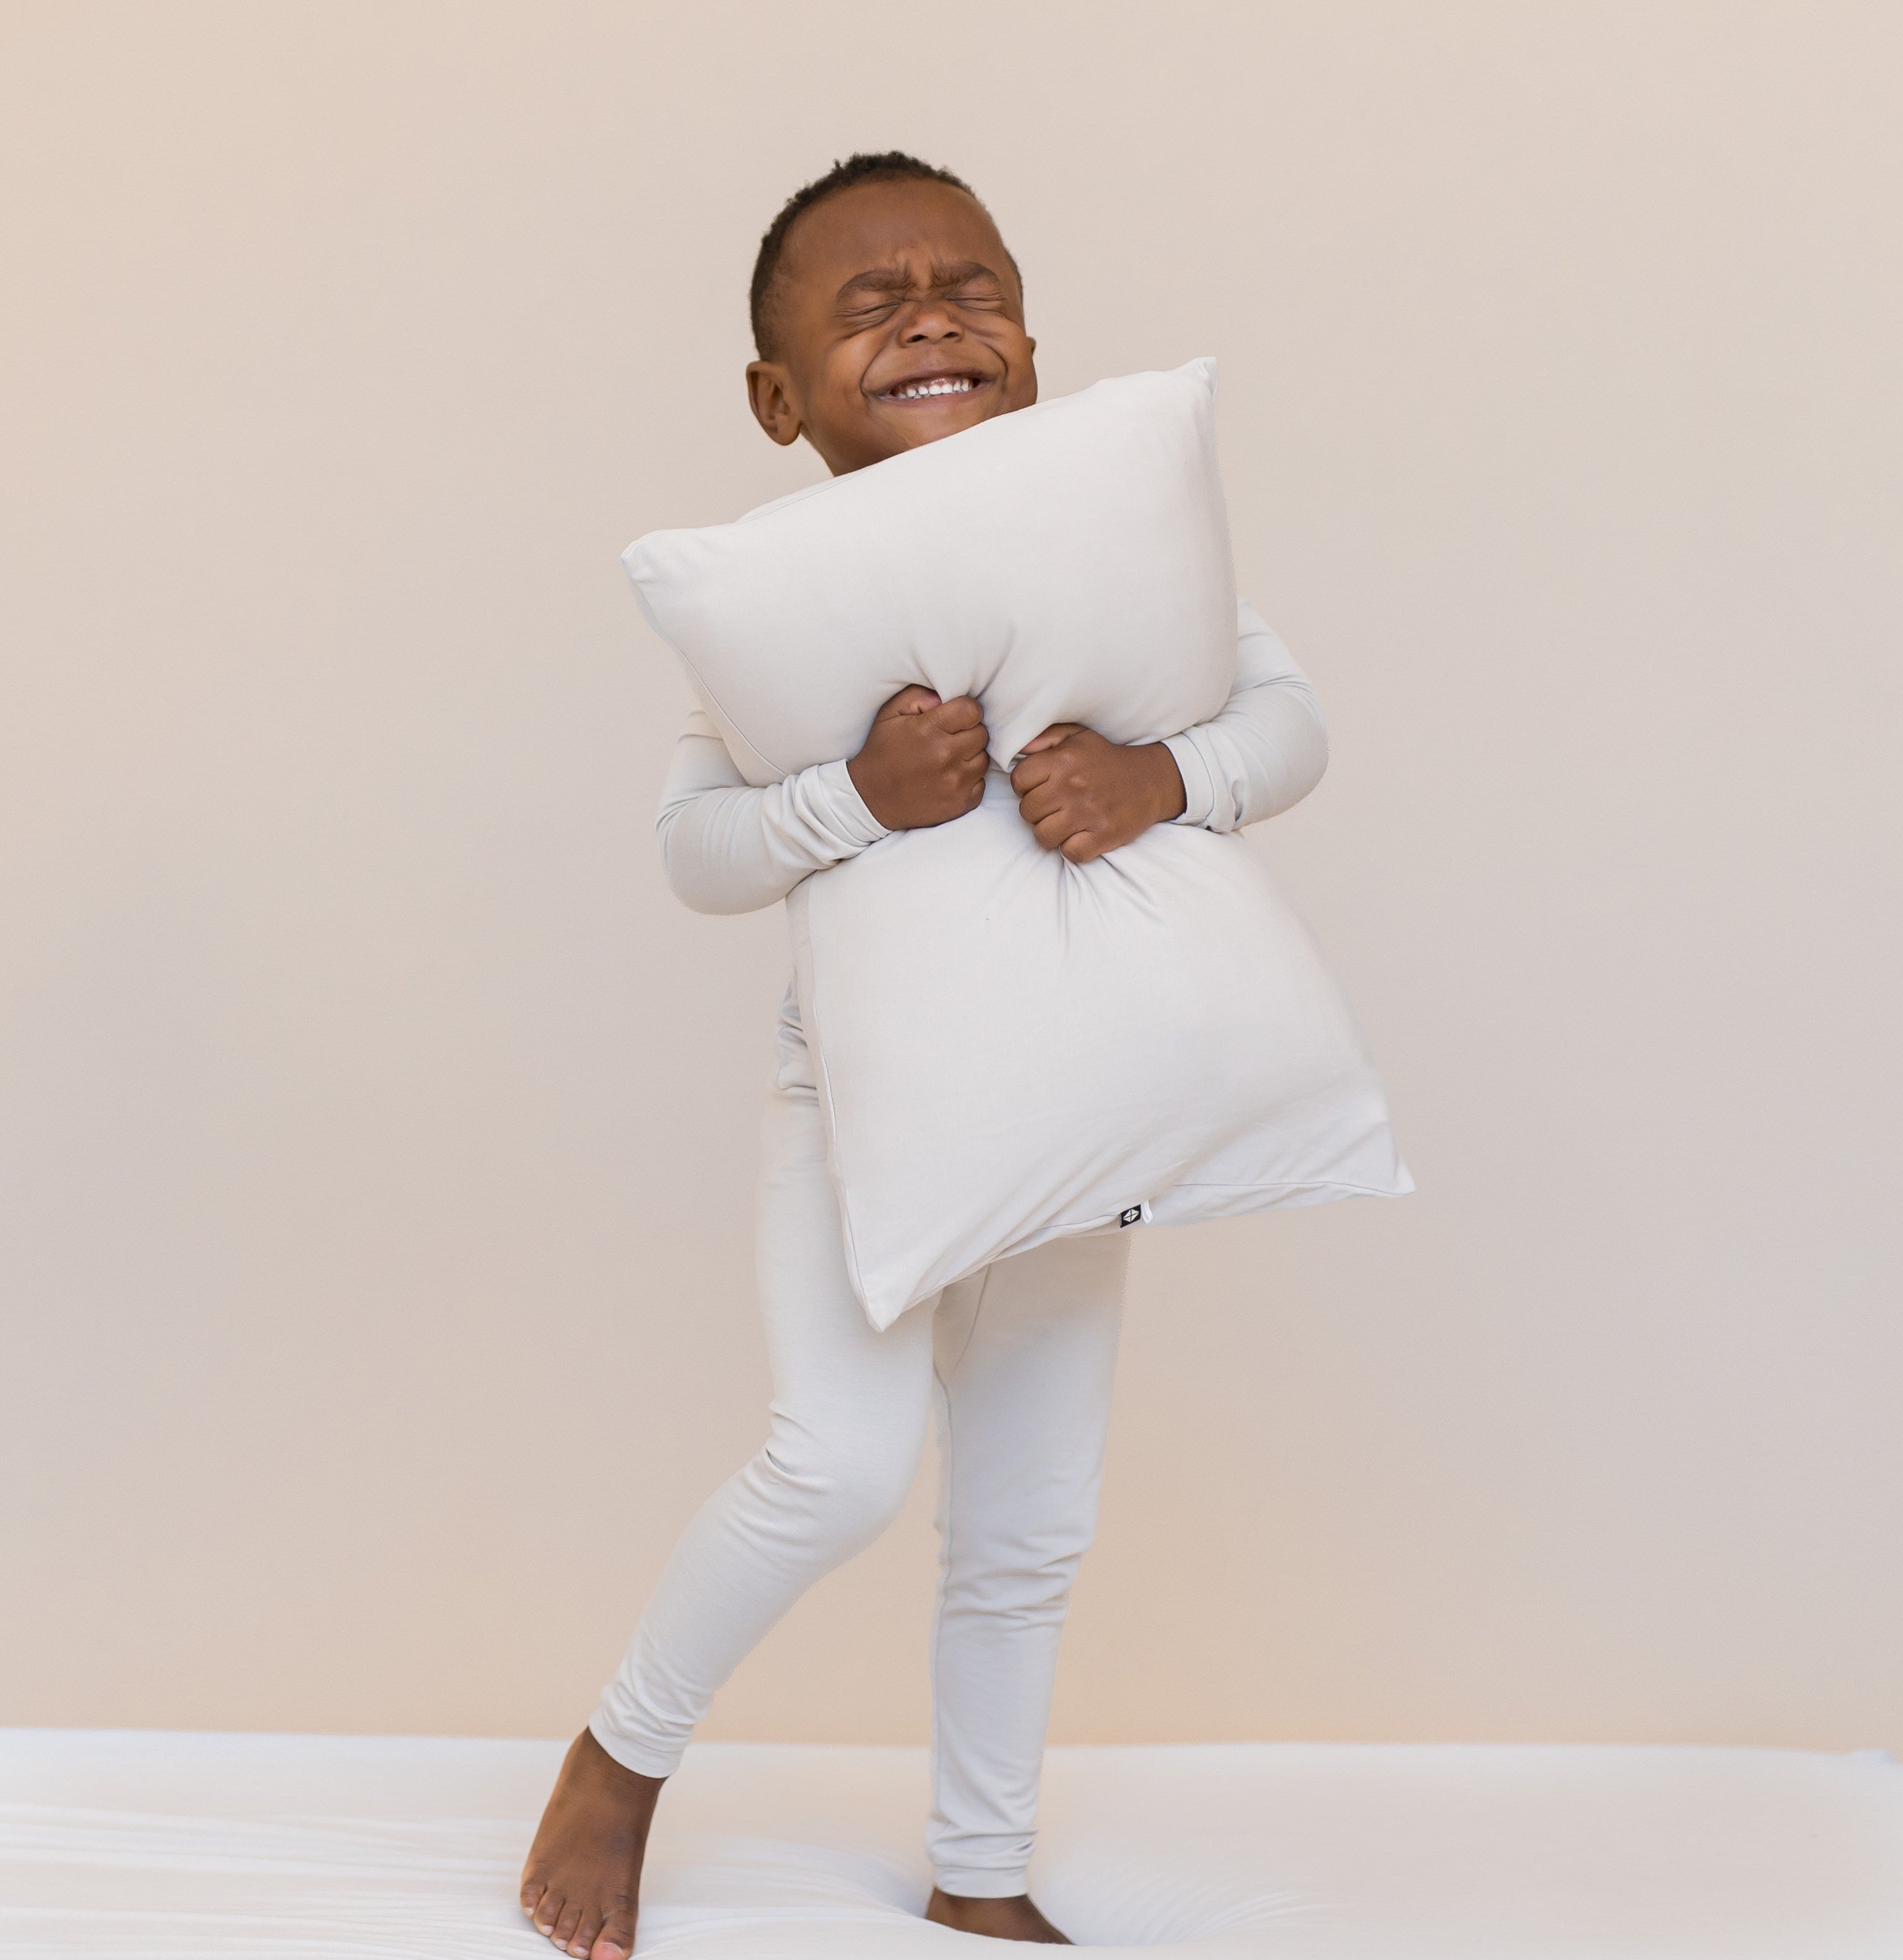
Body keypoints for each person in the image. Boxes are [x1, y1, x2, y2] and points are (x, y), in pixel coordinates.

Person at [520, 152, 1330, 1959]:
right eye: (868, 304)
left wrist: (1158, 780)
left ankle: (980, 1866)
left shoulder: (1122, 544)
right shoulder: (778, 598)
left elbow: (1285, 721)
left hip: (1081, 1092)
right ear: (777, 398)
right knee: (843, 1461)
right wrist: (851, 797)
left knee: (1030, 1509)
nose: (930, 315)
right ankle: (619, 1757)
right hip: (865, 1102)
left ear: (1031, 342)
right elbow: (694, 853)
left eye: (967, 285)